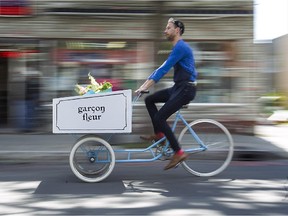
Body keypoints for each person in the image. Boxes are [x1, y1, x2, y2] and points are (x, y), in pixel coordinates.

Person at [135, 17, 198, 170]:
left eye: (168, 28)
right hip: (179, 87)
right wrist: (144, 86)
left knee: (160, 117)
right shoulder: (177, 47)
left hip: (186, 89)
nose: (165, 30)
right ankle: (160, 135)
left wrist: (145, 85)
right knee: (150, 100)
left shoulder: (181, 47)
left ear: (177, 30)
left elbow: (163, 69)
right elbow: (161, 69)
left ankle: (179, 152)